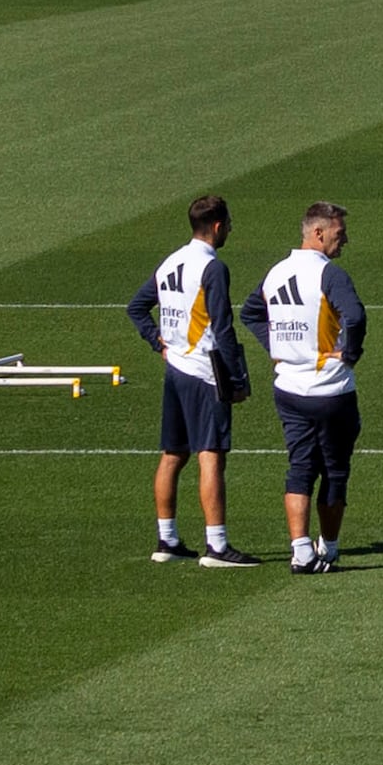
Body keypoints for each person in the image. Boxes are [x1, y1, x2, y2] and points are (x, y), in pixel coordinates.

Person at [136, 192, 254, 566]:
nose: (231, 230)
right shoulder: (212, 268)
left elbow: (137, 307)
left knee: (173, 454)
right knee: (211, 456)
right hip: (206, 372)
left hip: (176, 371)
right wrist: (238, 377)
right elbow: (223, 326)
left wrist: (161, 346)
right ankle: (216, 545)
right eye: (229, 225)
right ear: (217, 227)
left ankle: (166, 539)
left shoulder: (171, 262)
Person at [255, 200, 370, 574]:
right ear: (318, 233)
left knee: (300, 467)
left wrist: (277, 348)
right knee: (335, 470)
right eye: (340, 233)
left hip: (289, 389)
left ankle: (301, 550)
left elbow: (250, 312)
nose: (345, 240)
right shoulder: (330, 274)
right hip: (331, 390)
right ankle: (330, 548)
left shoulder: (276, 272)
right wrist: (349, 354)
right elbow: (355, 315)